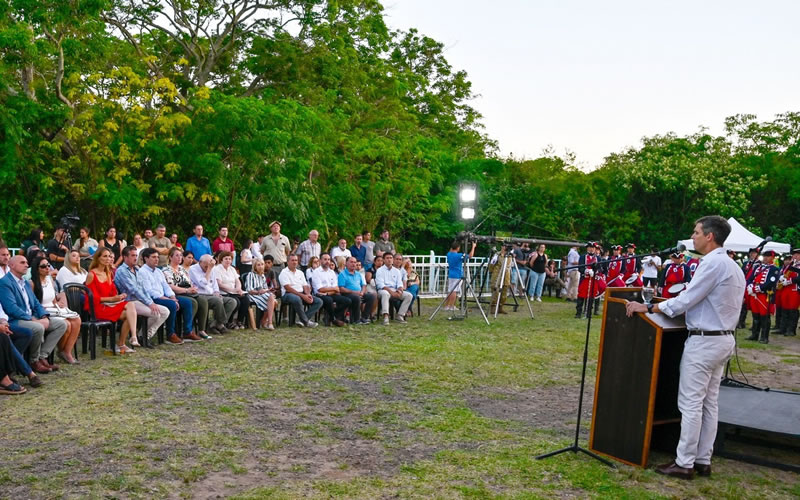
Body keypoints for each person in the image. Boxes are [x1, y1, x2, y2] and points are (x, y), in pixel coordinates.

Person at [625, 215, 744, 480]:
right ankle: (703, 459)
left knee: (691, 404)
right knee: (709, 403)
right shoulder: (732, 265)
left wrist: (650, 306)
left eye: (696, 232)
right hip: (722, 338)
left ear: (710, 236)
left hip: (705, 341)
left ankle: (684, 462)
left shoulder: (712, 263)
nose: (693, 237)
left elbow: (687, 299)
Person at [0, 255, 68, 369]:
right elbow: (11, 308)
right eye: (22, 263)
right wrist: (32, 319)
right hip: (15, 320)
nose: (26, 265)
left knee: (61, 324)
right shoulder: (5, 282)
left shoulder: (25, 282)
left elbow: (36, 303)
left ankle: (42, 356)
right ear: (11, 265)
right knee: (38, 327)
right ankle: (34, 361)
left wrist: (44, 316)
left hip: (32, 317)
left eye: (27, 262)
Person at [138, 247, 197, 344]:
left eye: (157, 257)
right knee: (171, 304)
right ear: (146, 258)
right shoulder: (142, 272)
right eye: (153, 257)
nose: (157, 259)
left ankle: (187, 331)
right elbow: (148, 291)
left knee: (187, 302)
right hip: (152, 299)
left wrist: (172, 296)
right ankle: (170, 334)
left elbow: (166, 286)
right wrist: (167, 299)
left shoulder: (158, 271)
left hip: (164, 296)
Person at [113, 246, 170, 344]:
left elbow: (143, 289)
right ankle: (142, 337)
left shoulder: (137, 269)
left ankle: (143, 336)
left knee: (165, 311)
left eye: (136, 255)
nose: (135, 258)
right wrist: (149, 303)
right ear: (125, 257)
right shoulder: (122, 270)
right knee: (155, 314)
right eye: (132, 255)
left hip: (140, 300)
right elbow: (134, 290)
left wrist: (150, 302)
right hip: (129, 302)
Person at [29, 255, 81, 364]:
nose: (47, 268)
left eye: (48, 265)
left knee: (77, 320)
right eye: (43, 266)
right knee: (67, 324)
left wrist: (58, 303)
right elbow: (32, 303)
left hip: (54, 309)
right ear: (36, 269)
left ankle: (66, 351)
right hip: (43, 313)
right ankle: (60, 351)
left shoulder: (50, 281)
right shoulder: (32, 283)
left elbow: (52, 299)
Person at [163, 247, 210, 340]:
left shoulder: (182, 269)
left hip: (187, 292)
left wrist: (192, 288)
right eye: (177, 255)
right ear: (170, 257)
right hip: (176, 293)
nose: (179, 257)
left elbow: (189, 282)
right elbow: (170, 286)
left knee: (203, 301)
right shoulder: (166, 270)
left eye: (180, 255)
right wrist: (186, 290)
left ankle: (201, 329)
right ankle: (187, 330)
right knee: (192, 302)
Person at [188, 255, 238, 335]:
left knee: (232, 301)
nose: (208, 267)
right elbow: (203, 284)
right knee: (217, 301)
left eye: (209, 265)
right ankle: (221, 324)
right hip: (200, 295)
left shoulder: (212, 269)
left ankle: (215, 325)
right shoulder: (193, 269)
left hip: (212, 295)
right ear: (200, 262)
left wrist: (217, 293)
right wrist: (209, 270)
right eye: (206, 265)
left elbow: (215, 285)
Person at [745, 249, 779, 344]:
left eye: (768, 256)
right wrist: (750, 286)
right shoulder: (757, 267)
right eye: (764, 256)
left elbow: (770, 283)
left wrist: (756, 289)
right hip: (754, 295)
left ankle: (764, 337)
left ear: (772, 258)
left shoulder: (774, 269)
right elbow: (750, 278)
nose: (765, 258)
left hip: (764, 295)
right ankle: (754, 335)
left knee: (764, 317)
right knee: (755, 315)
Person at [279, 255, 322, 327]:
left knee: (319, 301)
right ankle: (306, 321)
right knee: (296, 298)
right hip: (288, 294)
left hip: (301, 294)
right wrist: (303, 296)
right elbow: (288, 288)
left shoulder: (300, 273)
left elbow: (305, 285)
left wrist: (308, 294)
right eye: (292, 260)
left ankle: (302, 320)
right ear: (288, 262)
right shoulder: (284, 273)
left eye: (296, 260)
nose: (294, 262)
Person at [309, 254, 350, 326]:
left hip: (330, 294)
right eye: (325, 259)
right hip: (319, 295)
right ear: (320, 260)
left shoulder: (332, 272)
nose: (327, 261)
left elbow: (336, 289)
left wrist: (328, 292)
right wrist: (332, 289)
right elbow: (320, 289)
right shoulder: (316, 272)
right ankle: (333, 319)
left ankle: (333, 316)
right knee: (329, 300)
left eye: (328, 259)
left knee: (347, 301)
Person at [214, 251, 250, 329]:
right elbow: (219, 284)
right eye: (226, 259)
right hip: (224, 292)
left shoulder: (232, 269)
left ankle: (239, 321)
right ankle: (229, 322)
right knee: (236, 301)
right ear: (221, 260)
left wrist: (239, 288)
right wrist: (233, 290)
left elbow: (237, 280)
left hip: (234, 291)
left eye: (230, 259)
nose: (228, 261)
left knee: (246, 299)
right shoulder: (217, 269)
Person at [375, 253, 412, 325]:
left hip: (395, 290)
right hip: (383, 290)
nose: (389, 260)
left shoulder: (397, 271)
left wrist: (400, 290)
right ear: (384, 260)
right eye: (387, 258)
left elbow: (400, 283)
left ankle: (400, 315)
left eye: (391, 258)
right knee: (385, 294)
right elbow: (381, 285)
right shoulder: (380, 270)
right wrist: (392, 293)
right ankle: (386, 316)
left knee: (409, 295)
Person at [339, 256, 375, 325]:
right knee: (356, 298)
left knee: (371, 296)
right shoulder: (342, 274)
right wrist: (354, 292)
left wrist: (362, 292)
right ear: (346, 263)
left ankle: (364, 317)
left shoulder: (358, 274)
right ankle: (356, 320)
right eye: (351, 262)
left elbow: (363, 285)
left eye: (355, 262)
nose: (353, 264)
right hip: (347, 294)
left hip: (359, 293)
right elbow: (341, 289)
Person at [243, 258, 276, 330]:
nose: (261, 266)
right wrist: (258, 292)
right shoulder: (250, 275)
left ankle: (264, 321)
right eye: (258, 265)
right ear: (255, 266)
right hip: (253, 295)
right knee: (271, 300)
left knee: (273, 300)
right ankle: (269, 323)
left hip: (262, 294)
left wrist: (268, 290)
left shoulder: (263, 276)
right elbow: (249, 290)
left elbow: (265, 288)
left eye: (262, 264)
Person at [445, 241, 476, 311]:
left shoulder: (449, 254)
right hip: (458, 275)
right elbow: (470, 256)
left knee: (450, 290)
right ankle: (452, 306)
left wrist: (456, 242)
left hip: (451, 274)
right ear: (458, 248)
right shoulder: (459, 255)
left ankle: (447, 305)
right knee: (454, 291)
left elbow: (451, 249)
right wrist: (473, 247)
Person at [777, 248, 800, 336]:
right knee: (784, 309)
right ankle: (783, 328)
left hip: (795, 289)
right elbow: (785, 272)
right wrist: (782, 277)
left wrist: (789, 281)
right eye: (794, 255)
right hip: (786, 289)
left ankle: (791, 330)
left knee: (792, 310)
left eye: (797, 255)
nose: (795, 256)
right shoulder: (791, 264)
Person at [737, 247, 762, 329]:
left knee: (753, 305)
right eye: (751, 253)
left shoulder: (759, 264)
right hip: (744, 285)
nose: (752, 254)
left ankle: (756, 325)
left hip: (752, 286)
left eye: (754, 253)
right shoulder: (745, 263)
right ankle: (741, 322)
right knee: (743, 305)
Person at [575, 242, 599, 319]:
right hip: (584, 278)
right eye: (590, 247)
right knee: (581, 296)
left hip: (593, 279)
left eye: (593, 247)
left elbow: (601, 268)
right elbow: (580, 268)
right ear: (587, 248)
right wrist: (587, 271)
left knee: (591, 297)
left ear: (595, 249)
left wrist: (596, 272)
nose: (591, 249)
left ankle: (588, 313)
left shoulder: (598, 258)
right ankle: (578, 313)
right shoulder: (582, 257)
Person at [489, 246, 511, 314]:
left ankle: (500, 307)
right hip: (497, 275)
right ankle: (493, 307)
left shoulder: (509, 256)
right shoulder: (497, 255)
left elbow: (508, 264)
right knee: (495, 292)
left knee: (504, 293)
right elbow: (492, 264)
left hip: (505, 276)